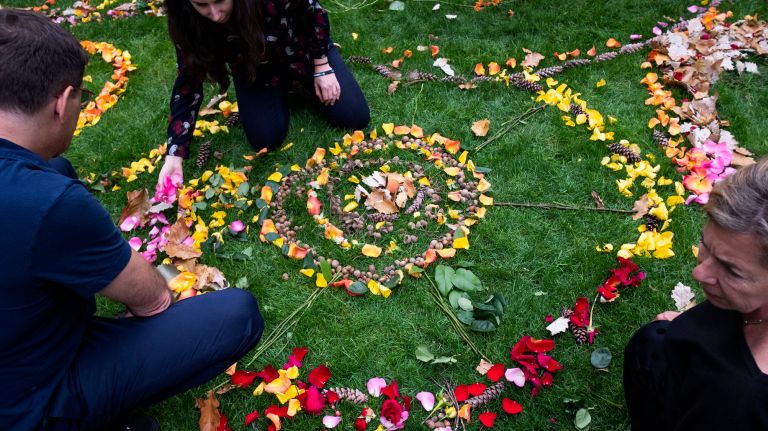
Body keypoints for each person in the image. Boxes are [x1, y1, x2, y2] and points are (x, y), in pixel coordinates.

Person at [0, 9, 264, 431]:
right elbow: (152, 299)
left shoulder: (40, 185)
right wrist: (147, 283)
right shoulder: (48, 203)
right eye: (83, 98)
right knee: (238, 314)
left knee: (58, 167)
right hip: (27, 406)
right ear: (63, 102)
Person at [157, 0, 370, 187]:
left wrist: (322, 66)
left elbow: (313, 12)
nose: (215, 14)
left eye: (220, 1)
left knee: (355, 116)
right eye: (201, 5)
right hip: (254, 69)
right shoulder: (187, 20)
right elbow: (188, 83)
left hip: (302, 51)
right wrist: (175, 155)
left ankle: (300, 80)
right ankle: (285, 88)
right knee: (265, 138)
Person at [624, 158, 768, 430]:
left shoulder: (739, 402)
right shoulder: (752, 298)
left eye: (731, 270)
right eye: (705, 242)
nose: (698, 274)